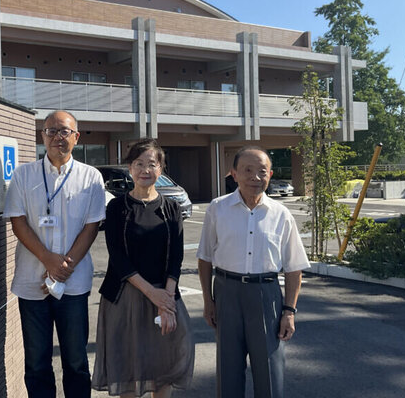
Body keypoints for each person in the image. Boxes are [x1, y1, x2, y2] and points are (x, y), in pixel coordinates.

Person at [3, 110, 106, 398]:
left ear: (76, 137)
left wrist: (63, 267)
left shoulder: (91, 177)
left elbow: (92, 226)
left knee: (76, 362)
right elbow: (18, 222)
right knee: (36, 363)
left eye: (64, 131)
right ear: (42, 136)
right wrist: (48, 259)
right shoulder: (23, 175)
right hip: (31, 282)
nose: (57, 137)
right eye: (50, 131)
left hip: (73, 284)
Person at [197, 146, 310, 398]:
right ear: (234, 174)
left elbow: (294, 268)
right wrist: (208, 301)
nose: (255, 177)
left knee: (269, 371)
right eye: (247, 170)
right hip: (226, 292)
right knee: (228, 369)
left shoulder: (281, 214)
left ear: (270, 174)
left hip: (266, 294)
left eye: (262, 171)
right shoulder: (217, 208)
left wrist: (289, 312)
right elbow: (205, 258)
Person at [93, 139, 194, 398]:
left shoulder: (171, 208)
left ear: (161, 169)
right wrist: (153, 294)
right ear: (130, 168)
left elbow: (176, 257)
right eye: (139, 164)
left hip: (164, 295)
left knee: (164, 367)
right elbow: (118, 257)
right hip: (124, 297)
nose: (145, 170)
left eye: (152, 164)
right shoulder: (117, 207)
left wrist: (166, 300)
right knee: (128, 370)